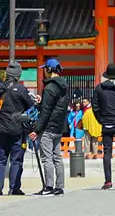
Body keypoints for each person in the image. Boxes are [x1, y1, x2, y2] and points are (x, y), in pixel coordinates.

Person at [29, 57, 69, 196]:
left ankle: (49, 186)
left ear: (49, 70)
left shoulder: (50, 87)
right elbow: (56, 107)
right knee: (57, 157)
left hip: (48, 128)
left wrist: (37, 130)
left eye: (45, 69)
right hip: (59, 127)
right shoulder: (63, 86)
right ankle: (60, 186)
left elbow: (46, 112)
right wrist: (42, 102)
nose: (44, 72)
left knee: (47, 158)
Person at [0, 61, 35, 196]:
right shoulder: (20, 89)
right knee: (16, 159)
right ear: (18, 75)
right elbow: (30, 108)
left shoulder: (1, 87)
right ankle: (14, 188)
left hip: (1, 129)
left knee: (1, 159)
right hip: (17, 129)